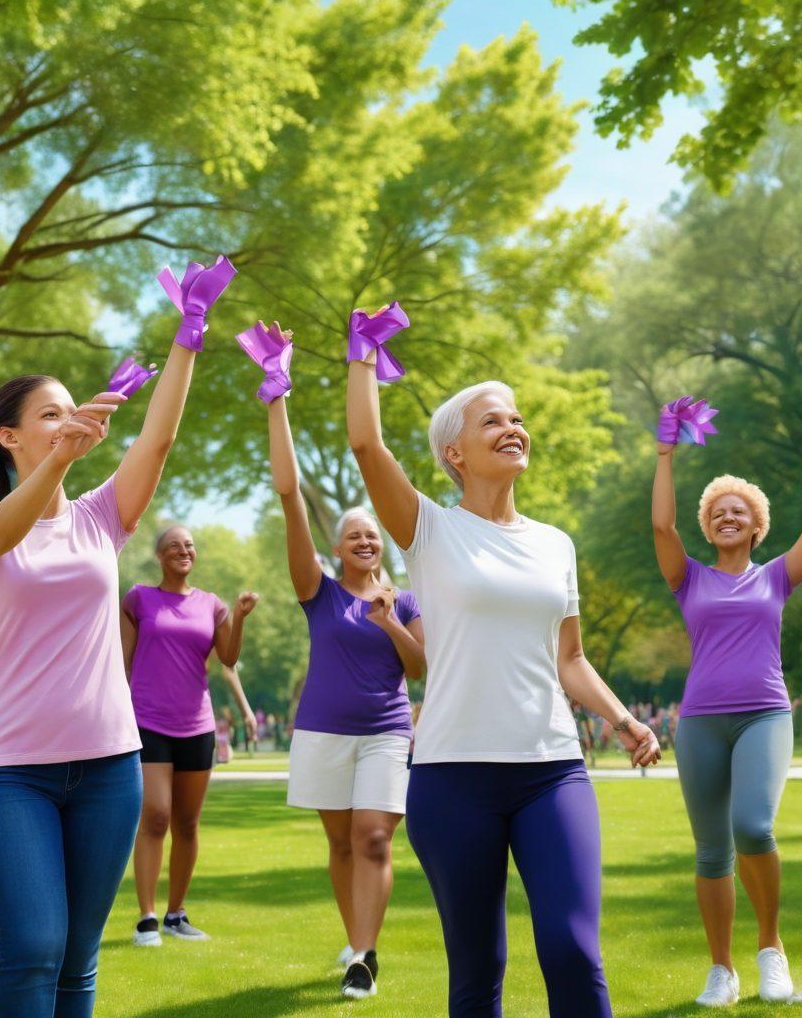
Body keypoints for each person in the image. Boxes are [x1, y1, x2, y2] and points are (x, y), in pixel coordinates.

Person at [344, 307, 660, 1018]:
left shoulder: (556, 543)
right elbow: (365, 443)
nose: (513, 427)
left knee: (573, 950)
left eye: (516, 418)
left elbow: (569, 657)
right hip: (453, 778)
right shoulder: (430, 529)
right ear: (453, 452)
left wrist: (618, 718)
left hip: (551, 770)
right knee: (478, 973)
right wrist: (362, 354)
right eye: (492, 420)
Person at [0, 254, 235, 1017]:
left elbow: (158, 442)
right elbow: (3, 536)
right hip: (13, 774)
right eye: (49, 414)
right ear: (8, 436)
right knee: (34, 948)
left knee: (78, 962)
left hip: (110, 766)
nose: (67, 421)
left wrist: (189, 334)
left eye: (73, 411)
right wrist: (62, 460)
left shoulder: (99, 518)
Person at [245, 320, 426, 1000]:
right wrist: (277, 400)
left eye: (372, 535)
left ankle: (363, 956)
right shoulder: (316, 592)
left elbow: (419, 669)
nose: (364, 541)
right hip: (322, 729)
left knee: (375, 837)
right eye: (353, 535)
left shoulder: (405, 601)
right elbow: (291, 495)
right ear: (339, 546)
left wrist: (392, 624)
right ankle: (357, 947)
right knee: (342, 845)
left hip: (386, 729)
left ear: (383, 546)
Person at [653, 403, 802, 1006]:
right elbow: (664, 529)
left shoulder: (777, 577)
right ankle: (723, 969)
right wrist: (665, 455)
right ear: (708, 528)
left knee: (753, 826)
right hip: (702, 725)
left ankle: (771, 948)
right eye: (718, 513)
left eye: (739, 510)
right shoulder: (688, 577)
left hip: (764, 714)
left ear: (757, 525)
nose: (729, 516)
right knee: (712, 847)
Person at [122, 528, 257, 946]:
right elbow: (122, 662)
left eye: (190, 545)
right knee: (157, 815)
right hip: (147, 721)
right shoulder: (139, 599)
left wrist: (239, 616)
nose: (184, 550)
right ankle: (146, 917)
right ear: (159, 555)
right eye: (175, 545)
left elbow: (228, 658)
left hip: (197, 726)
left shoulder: (211, 605)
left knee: (187, 822)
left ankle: (175, 914)